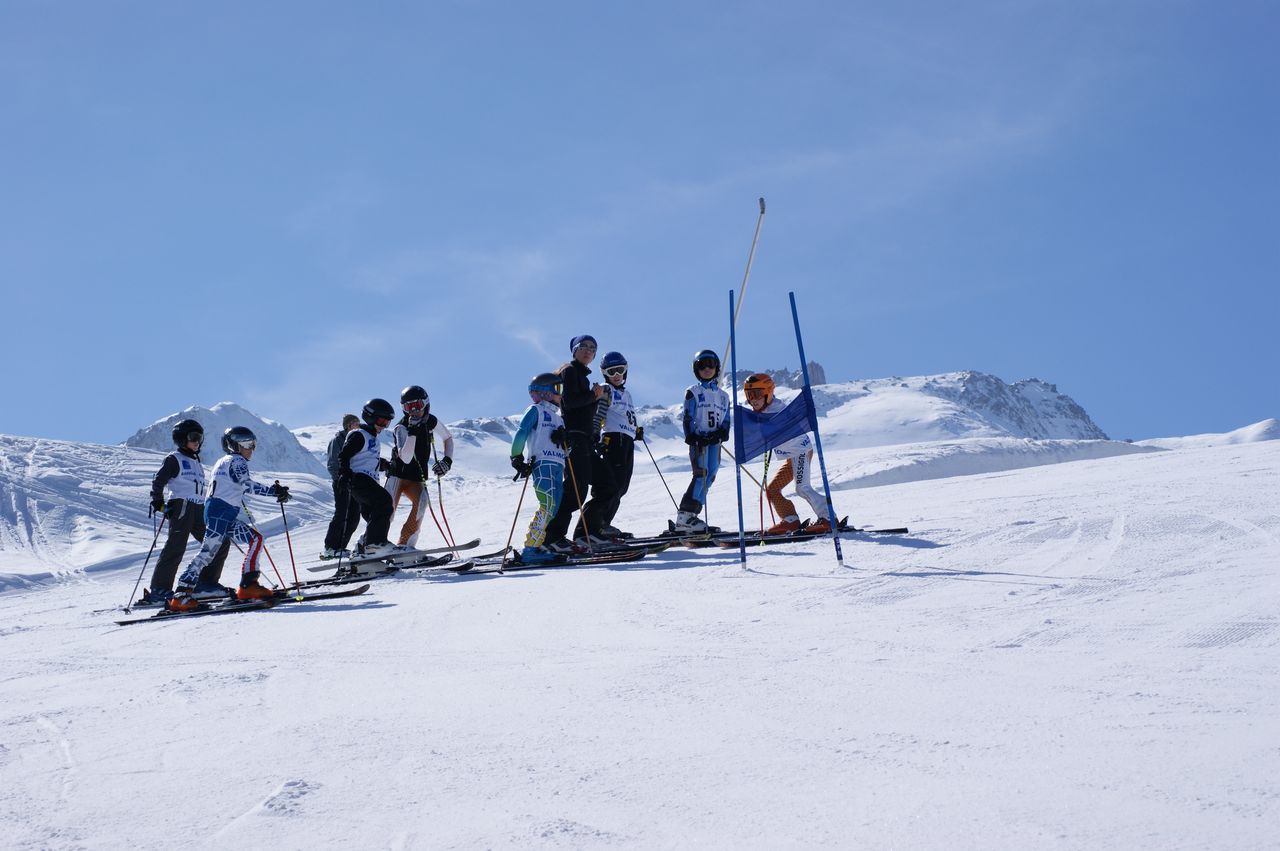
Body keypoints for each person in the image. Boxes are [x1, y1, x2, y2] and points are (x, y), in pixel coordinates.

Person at [169, 427, 291, 611]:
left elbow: (231, 485)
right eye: (247, 444)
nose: (251, 449)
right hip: (220, 512)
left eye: (253, 444)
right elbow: (247, 484)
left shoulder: (224, 461)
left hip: (221, 512)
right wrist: (274, 492)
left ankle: (248, 585)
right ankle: (181, 594)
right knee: (207, 552)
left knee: (255, 539)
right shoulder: (237, 460)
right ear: (234, 445)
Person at [143, 419, 231, 603]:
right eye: (193, 437)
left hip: (199, 508)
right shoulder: (174, 459)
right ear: (182, 438)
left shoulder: (195, 460)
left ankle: (205, 584)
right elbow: (158, 481)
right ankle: (159, 589)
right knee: (176, 547)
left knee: (219, 541)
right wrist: (158, 502)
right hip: (181, 506)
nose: (197, 441)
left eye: (200, 438)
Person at [743, 373, 831, 534]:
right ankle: (790, 520)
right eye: (749, 395)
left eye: (757, 394)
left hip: (800, 450)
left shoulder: (776, 410)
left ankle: (828, 518)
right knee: (772, 490)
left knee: (802, 488)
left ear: (768, 392)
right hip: (791, 456)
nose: (753, 399)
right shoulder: (764, 411)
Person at [543, 335, 605, 553]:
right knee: (575, 489)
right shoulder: (569, 371)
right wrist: (593, 396)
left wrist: (594, 398)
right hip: (573, 438)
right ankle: (552, 537)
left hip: (583, 439)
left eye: (592, 348)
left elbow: (585, 410)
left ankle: (587, 533)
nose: (588, 350)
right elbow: (568, 402)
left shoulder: (582, 376)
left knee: (603, 484)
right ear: (574, 350)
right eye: (583, 346)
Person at [322, 398, 401, 560]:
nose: (384, 425)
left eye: (387, 422)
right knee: (384, 501)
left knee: (370, 514)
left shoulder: (371, 437)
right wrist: (343, 474)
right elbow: (344, 455)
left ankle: (364, 546)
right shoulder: (359, 435)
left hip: (364, 479)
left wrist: (385, 465)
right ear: (370, 417)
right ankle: (374, 543)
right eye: (381, 421)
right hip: (357, 479)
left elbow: (367, 459)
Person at [575, 351, 640, 542]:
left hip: (627, 440)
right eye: (611, 372)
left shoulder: (626, 394)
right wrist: (595, 433)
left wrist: (636, 429)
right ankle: (590, 528)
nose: (617, 375)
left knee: (622, 486)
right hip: (613, 440)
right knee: (611, 484)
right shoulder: (606, 389)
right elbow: (599, 412)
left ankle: (603, 524)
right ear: (605, 374)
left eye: (620, 370)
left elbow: (625, 415)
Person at [385, 385, 456, 547]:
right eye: (408, 407)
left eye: (416, 405)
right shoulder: (401, 427)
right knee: (387, 512)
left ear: (425, 403)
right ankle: (369, 543)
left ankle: (405, 545)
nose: (413, 411)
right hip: (397, 476)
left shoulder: (430, 420)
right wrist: (413, 432)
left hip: (416, 477)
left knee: (422, 504)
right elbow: (406, 458)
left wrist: (447, 461)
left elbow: (447, 438)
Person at [510, 372, 567, 564]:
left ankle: (537, 545)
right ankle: (530, 549)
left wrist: (565, 440)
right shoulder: (536, 410)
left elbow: (566, 448)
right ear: (545, 392)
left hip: (558, 463)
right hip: (542, 462)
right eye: (558, 389)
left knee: (554, 507)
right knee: (547, 505)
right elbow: (522, 431)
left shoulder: (559, 418)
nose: (561, 393)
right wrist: (517, 457)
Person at [672, 349, 731, 533]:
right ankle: (684, 515)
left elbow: (726, 419)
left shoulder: (724, 395)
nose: (707, 369)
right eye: (702, 366)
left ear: (717, 368)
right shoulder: (693, 392)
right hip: (700, 441)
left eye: (710, 365)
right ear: (696, 370)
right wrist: (692, 436)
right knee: (701, 473)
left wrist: (722, 433)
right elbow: (688, 416)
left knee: (711, 474)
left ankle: (693, 515)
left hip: (714, 441)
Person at [326, 414, 359, 488]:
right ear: (348, 426)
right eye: (355, 424)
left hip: (355, 482)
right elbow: (333, 462)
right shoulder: (337, 441)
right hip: (342, 482)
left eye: (358, 423)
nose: (358, 426)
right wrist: (339, 479)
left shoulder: (356, 440)